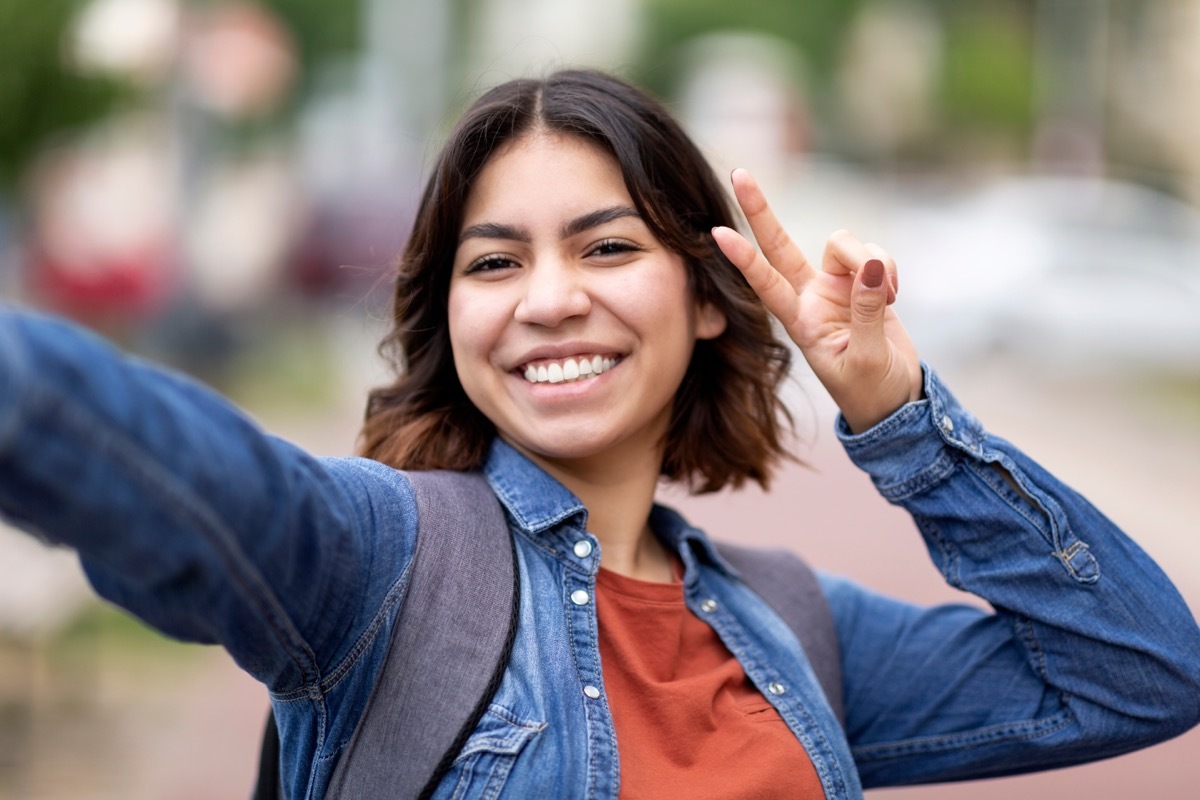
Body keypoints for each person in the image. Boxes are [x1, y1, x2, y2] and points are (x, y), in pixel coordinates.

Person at [1, 69, 1198, 800]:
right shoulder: (375, 562)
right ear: (450, 317)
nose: (548, 297)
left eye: (608, 245)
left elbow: (1140, 669)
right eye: (495, 261)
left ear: (708, 295)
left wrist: (897, 415)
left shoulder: (795, 630)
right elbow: (141, 452)